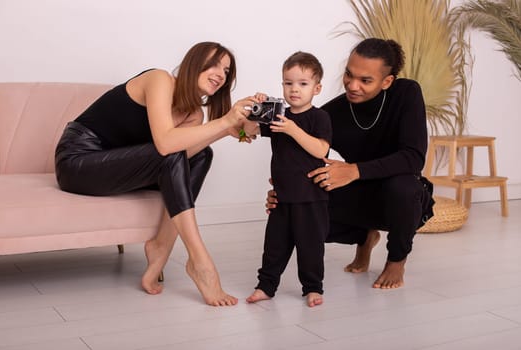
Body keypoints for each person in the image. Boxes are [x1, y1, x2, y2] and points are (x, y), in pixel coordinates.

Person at [55, 41, 258, 306]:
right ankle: (200, 261)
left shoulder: (193, 114)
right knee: (173, 149)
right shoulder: (160, 80)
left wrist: (230, 129)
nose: (221, 73)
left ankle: (161, 246)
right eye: (213, 64)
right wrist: (224, 122)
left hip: (117, 171)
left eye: (226, 70)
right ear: (192, 64)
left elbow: (180, 151)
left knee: (202, 154)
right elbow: (165, 144)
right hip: (78, 162)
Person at [265, 38, 434, 289]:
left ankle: (396, 261)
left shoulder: (406, 94)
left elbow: (414, 157)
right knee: (302, 216)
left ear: (386, 81)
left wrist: (355, 170)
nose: (352, 86)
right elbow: (302, 155)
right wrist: (287, 189)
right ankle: (364, 236)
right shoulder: (330, 113)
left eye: (365, 81)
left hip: (401, 196)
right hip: (359, 192)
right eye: (348, 75)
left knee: (404, 187)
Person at [245, 52, 332, 307]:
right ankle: (266, 286)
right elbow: (246, 131)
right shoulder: (277, 115)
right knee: (274, 246)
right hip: (282, 197)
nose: (294, 89)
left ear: (316, 88)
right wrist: (256, 109)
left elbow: (320, 150)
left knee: (310, 247)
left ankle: (313, 288)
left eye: (303, 84)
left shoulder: (319, 117)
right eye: (288, 83)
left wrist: (293, 130)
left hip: (312, 197)